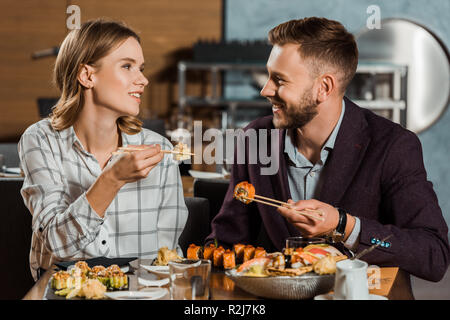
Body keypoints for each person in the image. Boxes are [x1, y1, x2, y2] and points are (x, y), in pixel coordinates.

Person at [206, 17, 449, 281]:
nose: (266, 89)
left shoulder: (392, 145)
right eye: (268, 76)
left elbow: (433, 254)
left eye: (280, 80)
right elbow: (227, 242)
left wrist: (345, 226)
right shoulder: (254, 137)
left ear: (324, 88)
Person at [19, 19, 188, 280]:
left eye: (140, 68)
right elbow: (58, 244)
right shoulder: (40, 141)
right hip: (66, 291)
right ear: (87, 75)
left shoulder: (161, 150)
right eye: (127, 66)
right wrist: (112, 179)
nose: (143, 80)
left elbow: (166, 255)